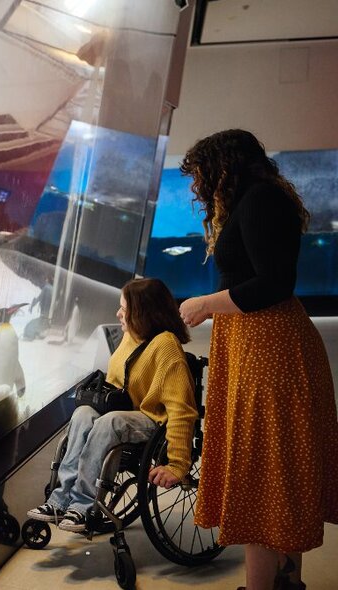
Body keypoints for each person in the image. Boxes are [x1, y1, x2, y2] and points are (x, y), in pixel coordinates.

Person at [177, 129, 338, 590]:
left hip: (270, 350)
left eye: (201, 174)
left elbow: (274, 284)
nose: (197, 186)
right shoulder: (261, 197)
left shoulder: (260, 200)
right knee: (276, 469)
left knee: (261, 474)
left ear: (225, 166)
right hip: (259, 344)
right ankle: (288, 583)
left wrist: (207, 304)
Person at [27, 278, 198, 532]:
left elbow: (182, 411)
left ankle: (84, 506)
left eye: (124, 309)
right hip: (123, 412)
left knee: (111, 420)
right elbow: (116, 383)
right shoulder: (131, 337)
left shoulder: (166, 346)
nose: (118, 313)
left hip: (152, 420)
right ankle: (59, 500)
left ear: (142, 312)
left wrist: (178, 464)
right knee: (84, 413)